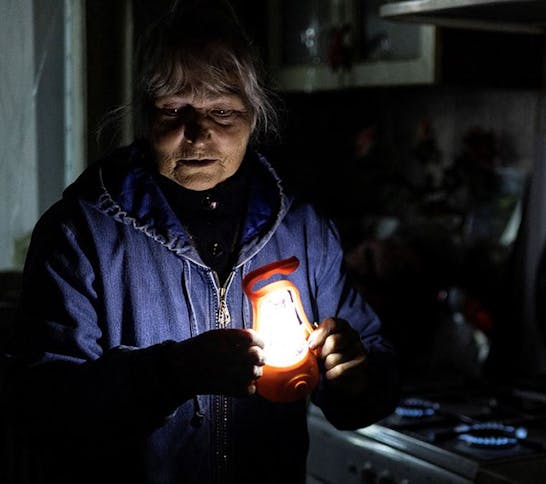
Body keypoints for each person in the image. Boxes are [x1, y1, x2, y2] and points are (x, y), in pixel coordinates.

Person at [0, 1, 399, 483]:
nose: (199, 134)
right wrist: (171, 373)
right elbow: (42, 411)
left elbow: (374, 371)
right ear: (144, 114)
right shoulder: (81, 234)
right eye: (173, 109)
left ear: (255, 114)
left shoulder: (303, 229)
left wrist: (356, 377)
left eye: (223, 111)